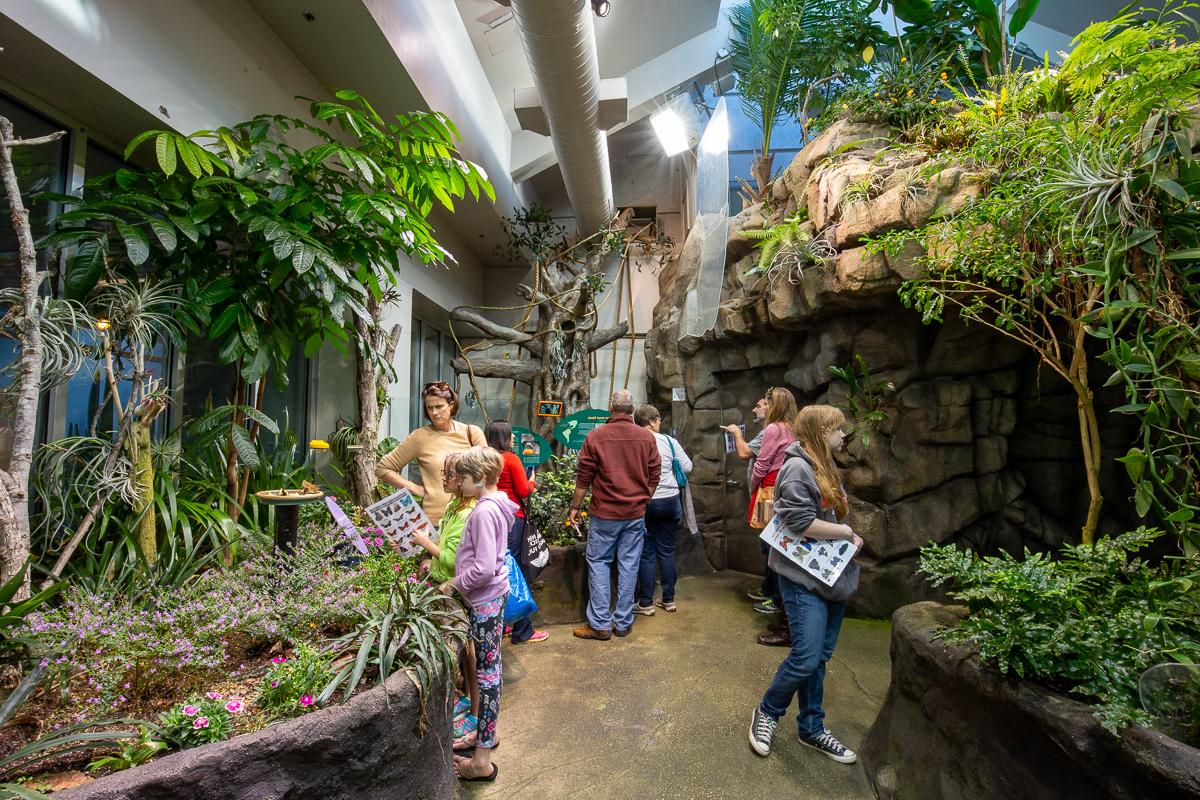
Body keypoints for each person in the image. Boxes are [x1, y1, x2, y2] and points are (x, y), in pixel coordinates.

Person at [748, 405, 864, 766]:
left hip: (830, 575)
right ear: (820, 431)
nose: (842, 436)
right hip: (802, 577)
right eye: (837, 429)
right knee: (806, 656)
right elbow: (798, 521)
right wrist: (845, 531)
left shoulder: (823, 464)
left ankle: (812, 727)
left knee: (819, 658)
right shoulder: (797, 466)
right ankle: (767, 711)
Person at [441, 446, 515, 783]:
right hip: (489, 599)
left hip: (484, 599)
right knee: (490, 673)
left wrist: (454, 584)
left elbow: (483, 568)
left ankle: (481, 760)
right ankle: (486, 737)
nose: (460, 483)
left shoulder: (484, 512)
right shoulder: (497, 504)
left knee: (487, 677)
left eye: (465, 478)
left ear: (480, 479)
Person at [569, 390, 660, 640]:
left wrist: (575, 507)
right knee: (629, 565)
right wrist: (644, 499)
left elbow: (583, 477)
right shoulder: (646, 437)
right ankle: (623, 622)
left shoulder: (596, 436)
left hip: (605, 514)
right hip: (634, 514)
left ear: (611, 408)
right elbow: (655, 474)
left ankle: (599, 624)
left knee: (599, 563)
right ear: (632, 410)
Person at [409, 453, 479, 748]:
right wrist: (429, 558)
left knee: (471, 653)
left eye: (449, 476)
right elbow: (442, 544)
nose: (444, 480)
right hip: (443, 585)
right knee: (462, 652)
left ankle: (476, 713)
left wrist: (425, 544)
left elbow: (454, 559)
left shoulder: (468, 514)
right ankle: (465, 702)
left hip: (461, 591)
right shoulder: (453, 506)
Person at [376, 381, 485, 525]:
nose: (434, 412)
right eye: (429, 408)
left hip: (471, 517)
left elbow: (487, 473)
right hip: (435, 520)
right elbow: (383, 468)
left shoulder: (472, 433)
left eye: (439, 406)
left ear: (451, 405)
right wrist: (416, 489)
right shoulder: (419, 437)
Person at [485, 419, 548, 644]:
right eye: (511, 435)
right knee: (516, 573)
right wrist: (532, 482)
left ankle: (501, 624)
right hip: (513, 520)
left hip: (492, 519)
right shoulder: (510, 459)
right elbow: (523, 490)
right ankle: (524, 630)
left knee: (499, 571)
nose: (513, 438)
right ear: (504, 437)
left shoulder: (485, 459)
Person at [632, 404, 692, 615]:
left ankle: (646, 603)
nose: (660, 424)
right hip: (670, 500)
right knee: (666, 550)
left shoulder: (635, 441)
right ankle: (669, 600)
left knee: (646, 552)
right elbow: (687, 467)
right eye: (658, 420)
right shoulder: (669, 441)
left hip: (646, 501)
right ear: (651, 421)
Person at [747, 388, 798, 619]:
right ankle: (777, 595)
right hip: (788, 488)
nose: (765, 406)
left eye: (768, 402)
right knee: (781, 544)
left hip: (769, 490)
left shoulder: (773, 429)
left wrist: (755, 486)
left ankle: (776, 598)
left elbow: (761, 464)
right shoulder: (794, 428)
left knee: (770, 544)